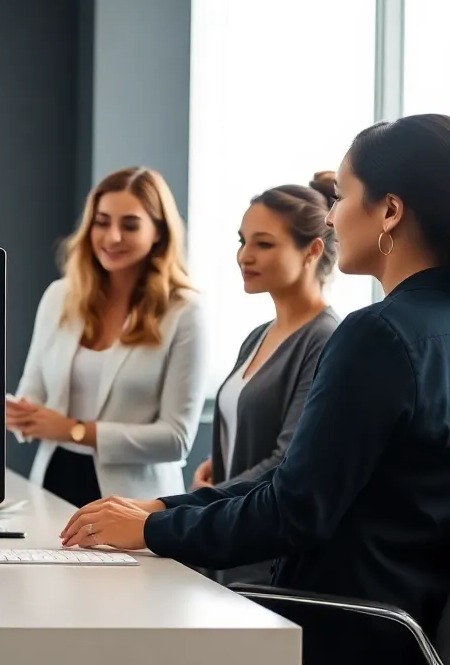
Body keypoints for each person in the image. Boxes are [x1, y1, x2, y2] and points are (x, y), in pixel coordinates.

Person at [60, 115, 450, 664]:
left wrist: (153, 528)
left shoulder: (376, 334)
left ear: (389, 210)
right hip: (407, 628)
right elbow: (300, 480)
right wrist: (163, 508)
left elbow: (293, 510)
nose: (333, 217)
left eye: (341, 196)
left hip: (340, 629)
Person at [6, 167, 207, 507]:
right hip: (54, 485)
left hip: (136, 503)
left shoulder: (185, 311)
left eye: (130, 225)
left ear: (158, 232)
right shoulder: (60, 296)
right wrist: (15, 413)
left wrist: (74, 429)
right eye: (102, 222)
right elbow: (34, 394)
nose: (112, 237)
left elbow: (176, 438)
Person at [191, 178, 341, 585]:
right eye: (242, 241)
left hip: (264, 560)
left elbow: (285, 459)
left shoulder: (324, 338)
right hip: (226, 540)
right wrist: (217, 466)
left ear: (312, 250)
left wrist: (197, 504)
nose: (244, 255)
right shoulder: (258, 335)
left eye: (263, 243)